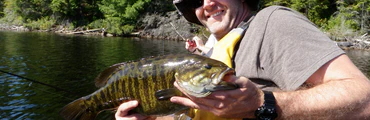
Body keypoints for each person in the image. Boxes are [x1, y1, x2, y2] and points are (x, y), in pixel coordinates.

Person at [116, 0, 370, 120]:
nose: (207, 3)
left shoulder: (273, 22)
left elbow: (365, 98)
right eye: (195, 0)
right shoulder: (211, 55)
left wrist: (263, 102)